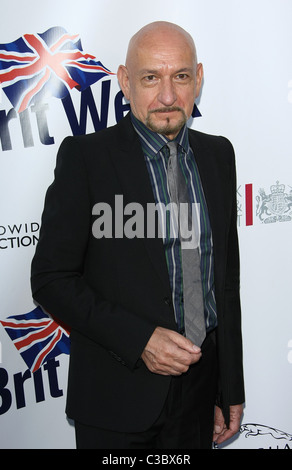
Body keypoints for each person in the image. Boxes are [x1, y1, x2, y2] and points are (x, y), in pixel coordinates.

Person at [31, 21, 245, 449]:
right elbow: (51, 280)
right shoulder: (86, 160)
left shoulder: (218, 154)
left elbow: (224, 280)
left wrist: (229, 388)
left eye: (180, 77)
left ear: (198, 78)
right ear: (125, 82)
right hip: (118, 395)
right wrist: (140, 339)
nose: (167, 96)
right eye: (151, 78)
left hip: (201, 391)